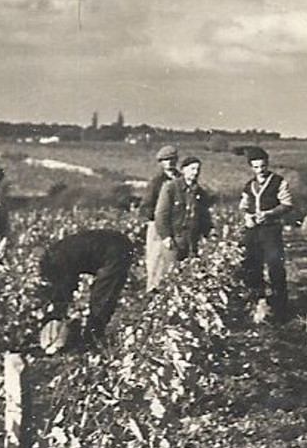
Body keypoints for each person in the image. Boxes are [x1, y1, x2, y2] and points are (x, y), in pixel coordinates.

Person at [36, 229, 135, 353]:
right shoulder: (56, 253)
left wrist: (57, 314)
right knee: (101, 296)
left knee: (103, 299)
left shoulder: (58, 262)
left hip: (116, 252)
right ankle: (91, 336)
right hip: (115, 243)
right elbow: (66, 288)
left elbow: (65, 288)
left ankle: (91, 341)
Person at [240, 147, 295, 323]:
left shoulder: (279, 182)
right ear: (251, 168)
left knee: (275, 267)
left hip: (271, 230)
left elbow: (287, 204)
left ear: (267, 164)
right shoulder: (249, 185)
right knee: (252, 266)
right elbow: (244, 204)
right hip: (253, 231)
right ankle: (258, 304)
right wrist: (247, 216)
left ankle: (280, 309)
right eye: (256, 167)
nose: (260, 170)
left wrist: (269, 213)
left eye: (262, 166)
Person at [152, 155, 212, 290]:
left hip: (191, 240)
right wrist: (166, 237)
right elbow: (161, 214)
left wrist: (206, 235)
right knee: (170, 275)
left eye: (198, 169)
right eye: (192, 169)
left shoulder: (200, 192)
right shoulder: (171, 187)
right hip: (174, 238)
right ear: (183, 170)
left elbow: (204, 216)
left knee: (188, 276)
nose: (195, 172)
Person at [140, 145, 182, 290]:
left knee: (174, 261)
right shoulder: (156, 182)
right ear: (161, 163)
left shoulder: (182, 179)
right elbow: (145, 207)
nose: (169, 163)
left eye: (171, 159)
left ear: (176, 160)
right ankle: (153, 291)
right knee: (155, 260)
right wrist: (159, 220)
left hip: (177, 226)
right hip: (158, 226)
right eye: (165, 160)